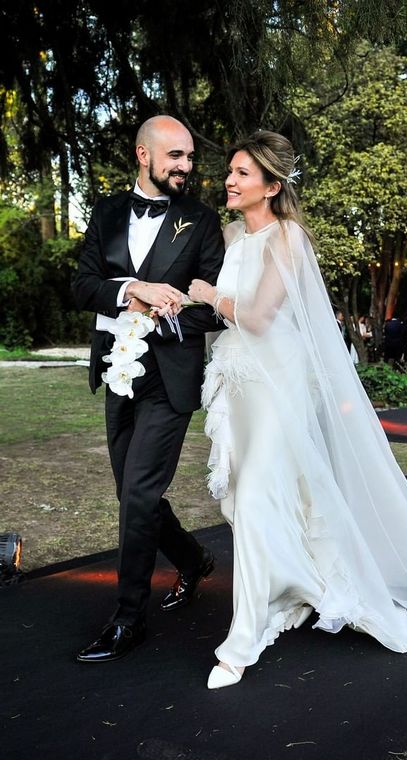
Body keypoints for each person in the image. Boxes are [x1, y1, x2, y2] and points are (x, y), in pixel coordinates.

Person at [187, 131, 407, 689]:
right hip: (239, 386)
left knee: (254, 500)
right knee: (253, 500)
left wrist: (208, 294)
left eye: (242, 173)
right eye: (230, 170)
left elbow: (256, 317)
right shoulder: (230, 235)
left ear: (272, 186)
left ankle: (241, 644)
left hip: (278, 383)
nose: (229, 180)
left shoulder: (288, 237)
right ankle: (296, 586)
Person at [72, 115, 226, 663]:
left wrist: (168, 312)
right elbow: (83, 285)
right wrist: (132, 289)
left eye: (190, 157)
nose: (186, 165)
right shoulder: (107, 212)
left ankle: (127, 618)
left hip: (170, 377)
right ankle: (193, 560)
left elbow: (216, 306)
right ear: (144, 155)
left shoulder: (201, 221)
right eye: (175, 156)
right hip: (118, 370)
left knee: (138, 494)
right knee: (132, 495)